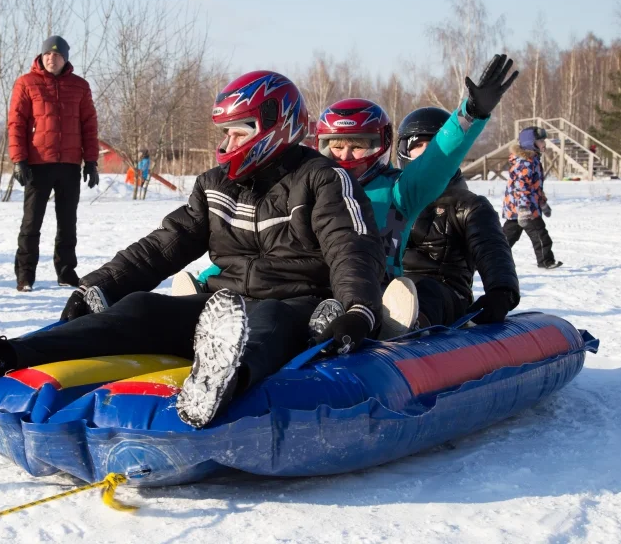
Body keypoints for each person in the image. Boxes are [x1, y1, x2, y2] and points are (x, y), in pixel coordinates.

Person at [0, 71, 386, 429]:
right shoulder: (216, 184)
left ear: (275, 125)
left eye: (239, 132)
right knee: (140, 308)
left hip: (297, 303)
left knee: (265, 319)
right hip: (225, 307)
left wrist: (356, 309)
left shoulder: (323, 178)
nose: (228, 144)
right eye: (225, 133)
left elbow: (352, 245)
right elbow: (163, 246)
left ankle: (220, 385)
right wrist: (97, 287)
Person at [175, 55, 519, 340]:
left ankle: (391, 323)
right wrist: (210, 277)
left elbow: (436, 160)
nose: (345, 155)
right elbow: (260, 240)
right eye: (335, 146)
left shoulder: (398, 189)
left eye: (358, 145)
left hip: (372, 285)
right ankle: (212, 302)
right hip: (311, 286)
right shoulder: (309, 183)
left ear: (380, 145)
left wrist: (470, 113)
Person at [397, 107, 520, 326]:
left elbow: (492, 250)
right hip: (393, 288)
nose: (429, 154)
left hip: (444, 294)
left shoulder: (470, 206)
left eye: (436, 146)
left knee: (424, 290)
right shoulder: (392, 199)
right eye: (418, 145)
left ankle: (409, 327)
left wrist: (501, 292)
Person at [8, 35, 100, 292]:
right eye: (48, 54)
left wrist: (91, 161)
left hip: (70, 164)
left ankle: (66, 271)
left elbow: (89, 125)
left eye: (57, 55)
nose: (52, 58)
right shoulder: (27, 83)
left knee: (67, 222)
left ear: (65, 58)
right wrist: (19, 160)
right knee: (31, 222)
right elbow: (16, 123)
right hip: (37, 164)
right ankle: (25, 275)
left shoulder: (80, 86)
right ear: (41, 56)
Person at [502, 126, 561, 269]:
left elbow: (535, 186)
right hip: (525, 208)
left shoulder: (532, 160)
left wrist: (543, 203)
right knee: (540, 235)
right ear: (531, 143)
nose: (544, 144)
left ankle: (488, 258)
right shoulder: (525, 162)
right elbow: (521, 187)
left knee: (506, 239)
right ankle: (546, 261)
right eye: (540, 141)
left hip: (525, 206)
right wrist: (523, 208)